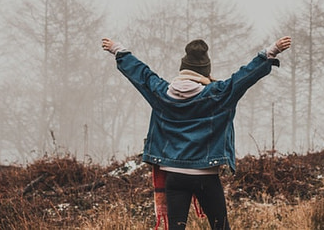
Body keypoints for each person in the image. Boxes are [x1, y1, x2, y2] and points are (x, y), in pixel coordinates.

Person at [102, 35, 291, 230]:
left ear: (183, 69)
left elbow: (141, 74)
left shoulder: (161, 92)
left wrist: (119, 50)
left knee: (177, 228)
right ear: (205, 72)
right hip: (205, 175)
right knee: (220, 226)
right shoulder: (218, 94)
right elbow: (243, 77)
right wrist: (270, 52)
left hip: (174, 176)